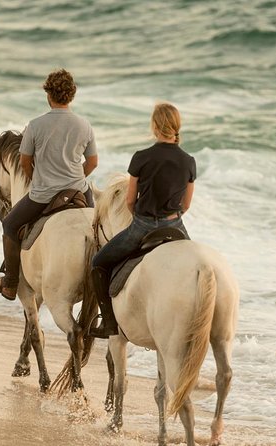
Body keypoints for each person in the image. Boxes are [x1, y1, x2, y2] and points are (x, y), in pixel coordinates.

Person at [0, 69, 98, 300]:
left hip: (44, 193)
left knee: (9, 225)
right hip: (79, 190)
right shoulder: (84, 125)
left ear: (49, 95)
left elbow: (25, 161)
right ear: (72, 96)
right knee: (98, 228)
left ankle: (9, 284)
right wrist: (76, 176)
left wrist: (38, 178)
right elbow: (93, 162)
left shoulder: (36, 125)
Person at [89, 102, 196, 338]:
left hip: (143, 226)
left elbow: (129, 200)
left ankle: (108, 323)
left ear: (155, 127)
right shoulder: (189, 161)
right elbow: (186, 204)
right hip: (175, 225)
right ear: (177, 127)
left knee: (98, 262)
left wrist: (143, 215)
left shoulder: (141, 157)